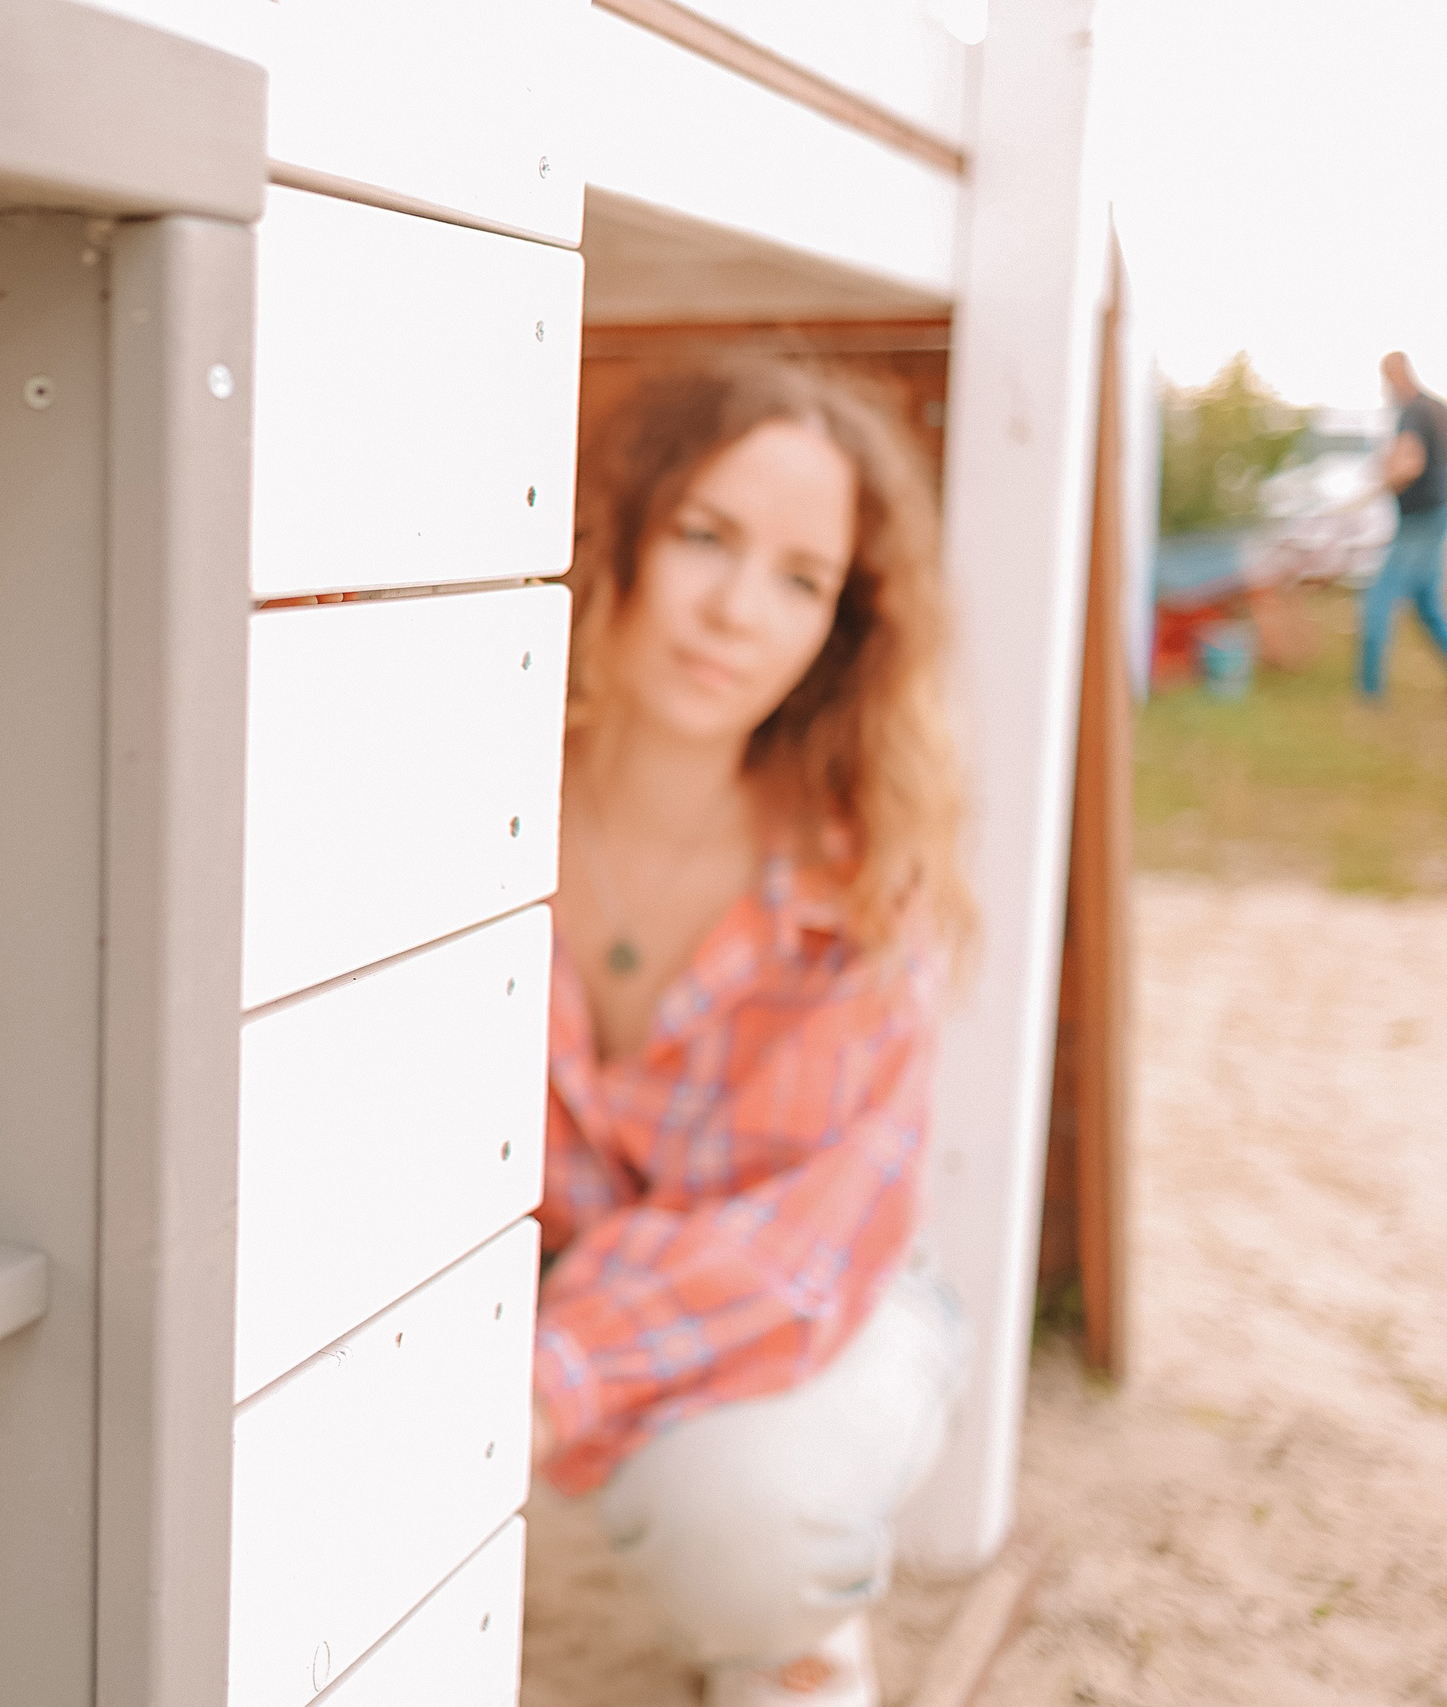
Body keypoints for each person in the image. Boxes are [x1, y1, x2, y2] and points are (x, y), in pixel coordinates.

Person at [531, 360, 976, 1707]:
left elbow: (803, 1231)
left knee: (752, 1506)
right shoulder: (476, 796)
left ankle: (790, 1646)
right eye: (705, 537)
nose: (735, 610)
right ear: (620, 532)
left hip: (819, 1284)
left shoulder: (857, 875)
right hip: (543, 1293)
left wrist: (548, 1375)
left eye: (801, 577)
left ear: (844, 625)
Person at [1359, 350, 1447, 701]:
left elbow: (1408, 464)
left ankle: (1369, 693)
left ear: (1396, 376)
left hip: (1418, 518)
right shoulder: (1439, 409)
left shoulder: (1412, 412)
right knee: (1425, 602)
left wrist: (1381, 484)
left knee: (1379, 597)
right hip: (1437, 513)